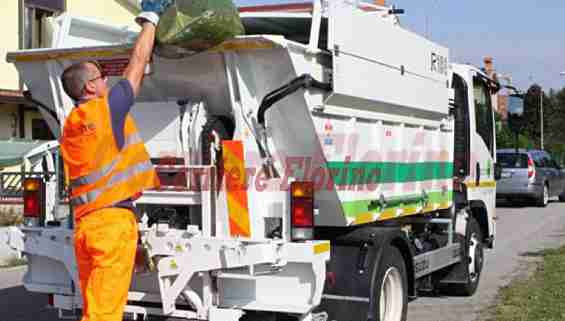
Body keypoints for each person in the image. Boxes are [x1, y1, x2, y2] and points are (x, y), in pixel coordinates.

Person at [59, 1, 171, 320]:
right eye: (101, 76)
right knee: (103, 315)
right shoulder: (106, 111)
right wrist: (151, 19)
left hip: (86, 228)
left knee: (96, 308)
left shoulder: (72, 124)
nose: (107, 80)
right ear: (90, 86)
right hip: (111, 226)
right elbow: (136, 64)